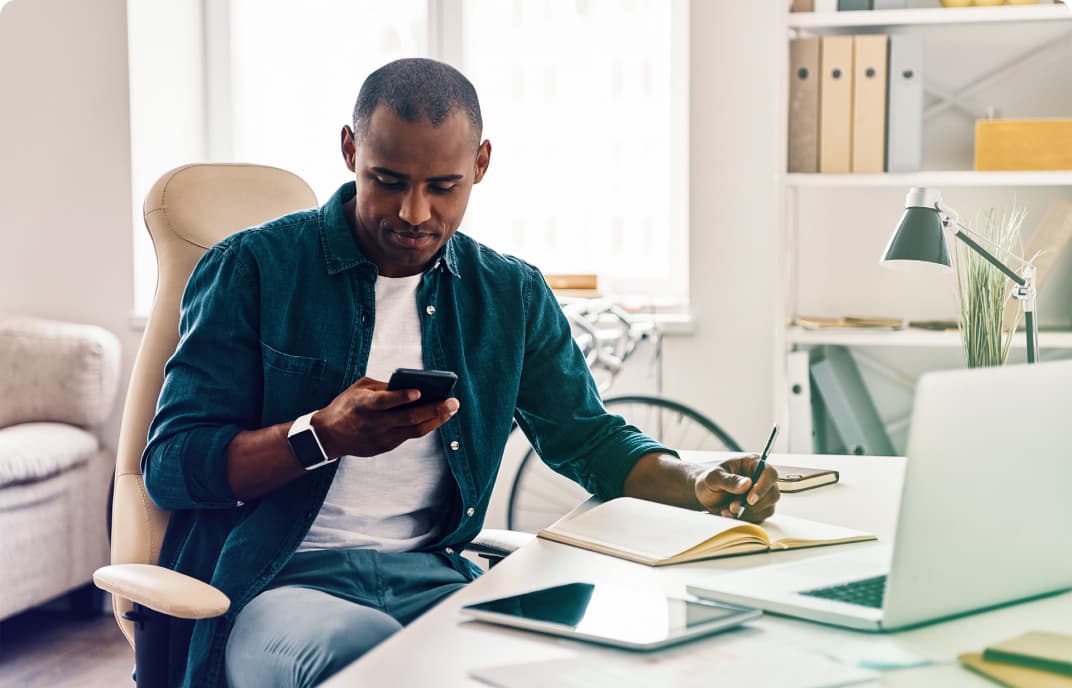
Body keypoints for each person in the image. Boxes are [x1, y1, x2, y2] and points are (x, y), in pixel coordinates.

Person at [143, 57, 780, 688]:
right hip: (278, 586)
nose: (415, 213)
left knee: (599, 656)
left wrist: (695, 480)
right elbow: (171, 467)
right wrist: (322, 434)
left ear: (480, 164)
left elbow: (589, 440)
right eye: (388, 180)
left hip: (434, 577)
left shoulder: (509, 294)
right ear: (349, 151)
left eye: (443, 187)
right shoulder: (254, 269)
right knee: (370, 656)